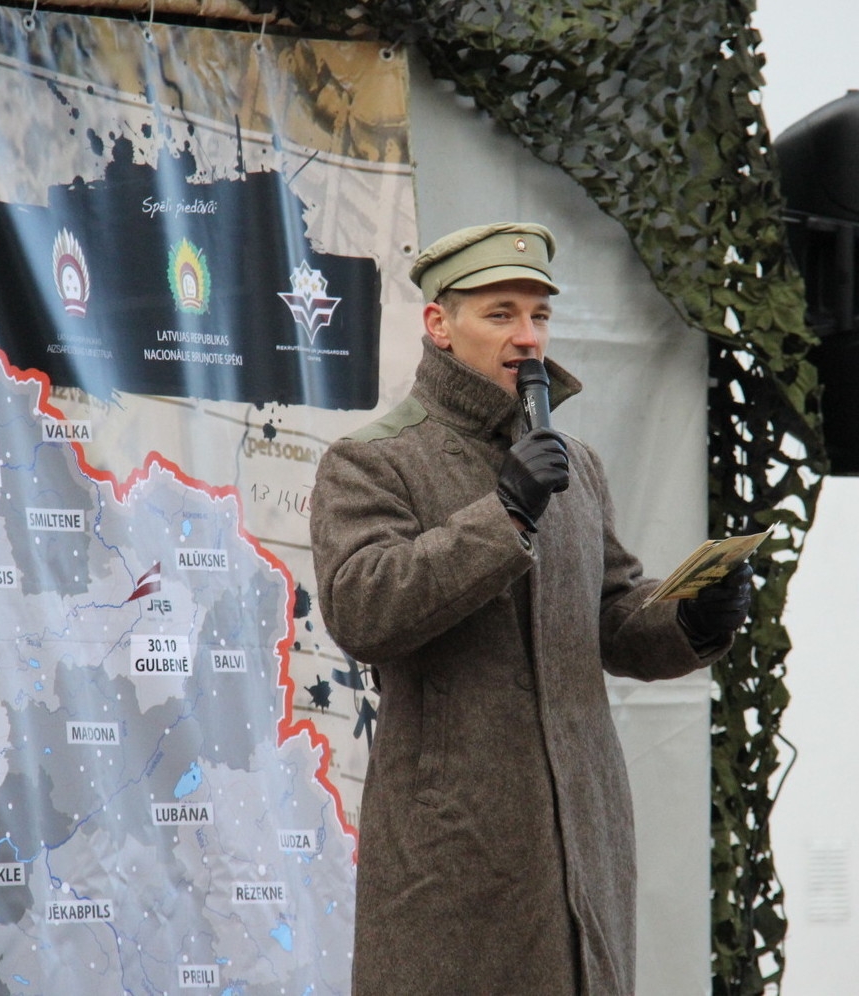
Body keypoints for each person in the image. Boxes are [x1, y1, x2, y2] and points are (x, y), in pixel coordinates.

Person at [309, 222, 753, 996]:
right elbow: (361, 607)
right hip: (454, 859)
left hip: (583, 841)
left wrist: (690, 618)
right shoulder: (372, 460)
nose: (526, 337)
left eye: (538, 316)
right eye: (500, 313)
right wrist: (505, 508)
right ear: (438, 325)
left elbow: (613, 613)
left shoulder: (575, 464)